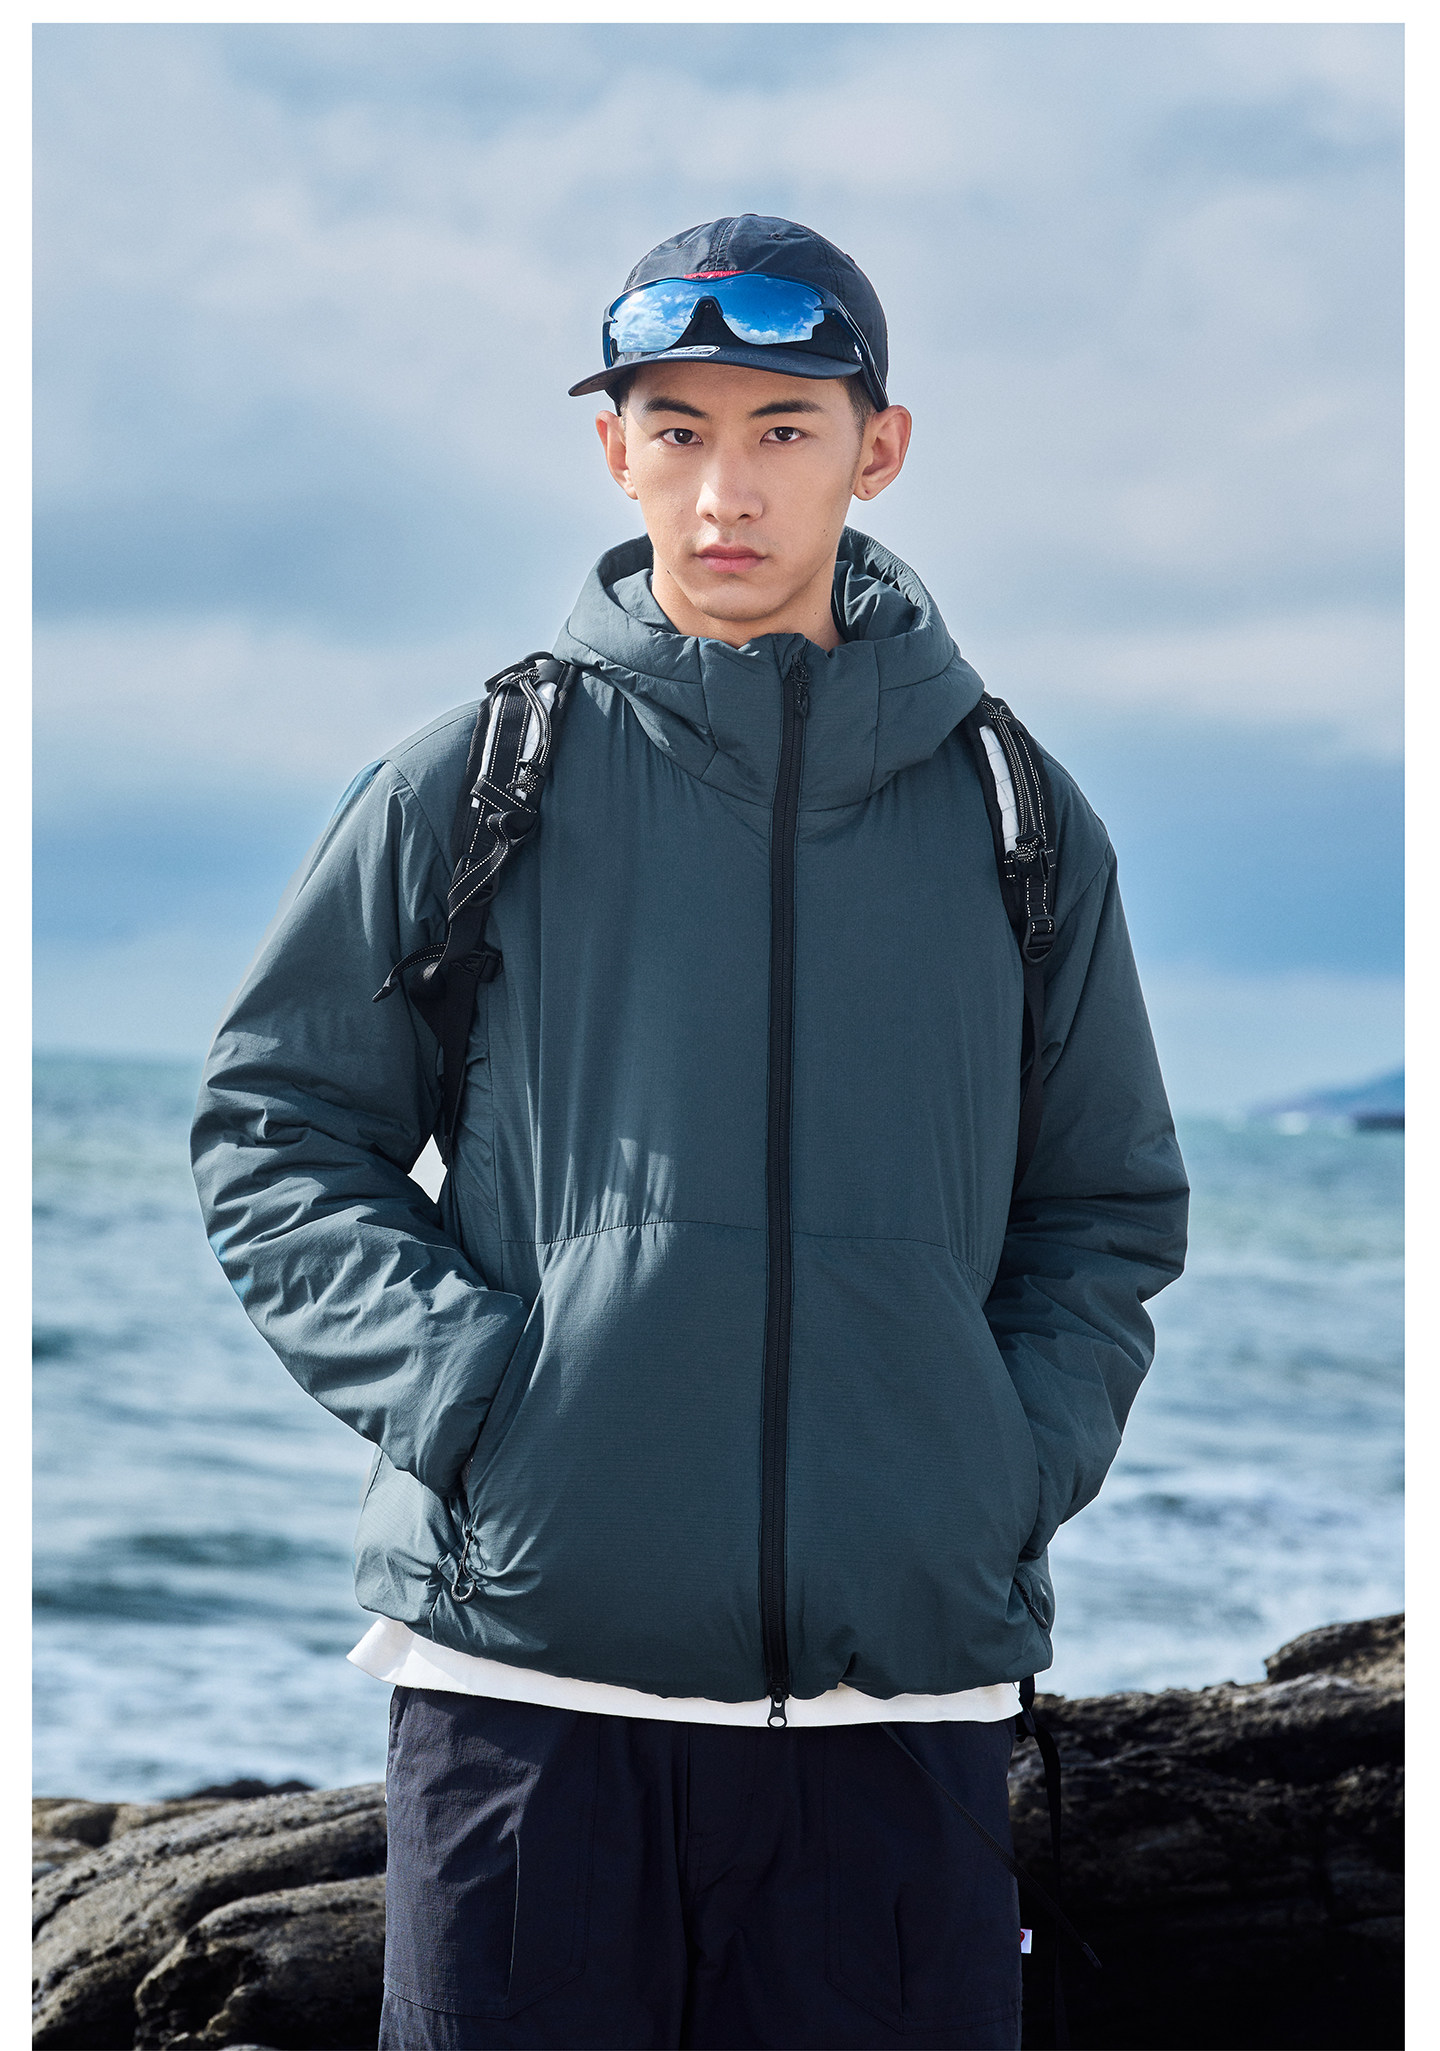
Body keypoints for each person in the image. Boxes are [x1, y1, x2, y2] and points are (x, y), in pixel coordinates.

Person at [191, 214, 1188, 2051]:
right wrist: (481, 1402)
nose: (726, 488)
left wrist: (994, 1463)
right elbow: (278, 1127)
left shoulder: (1019, 815)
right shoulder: (475, 779)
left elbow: (1105, 1209)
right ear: (614, 451)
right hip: (526, 1687)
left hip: (902, 1717)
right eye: (678, 430)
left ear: (879, 449)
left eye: (783, 430)